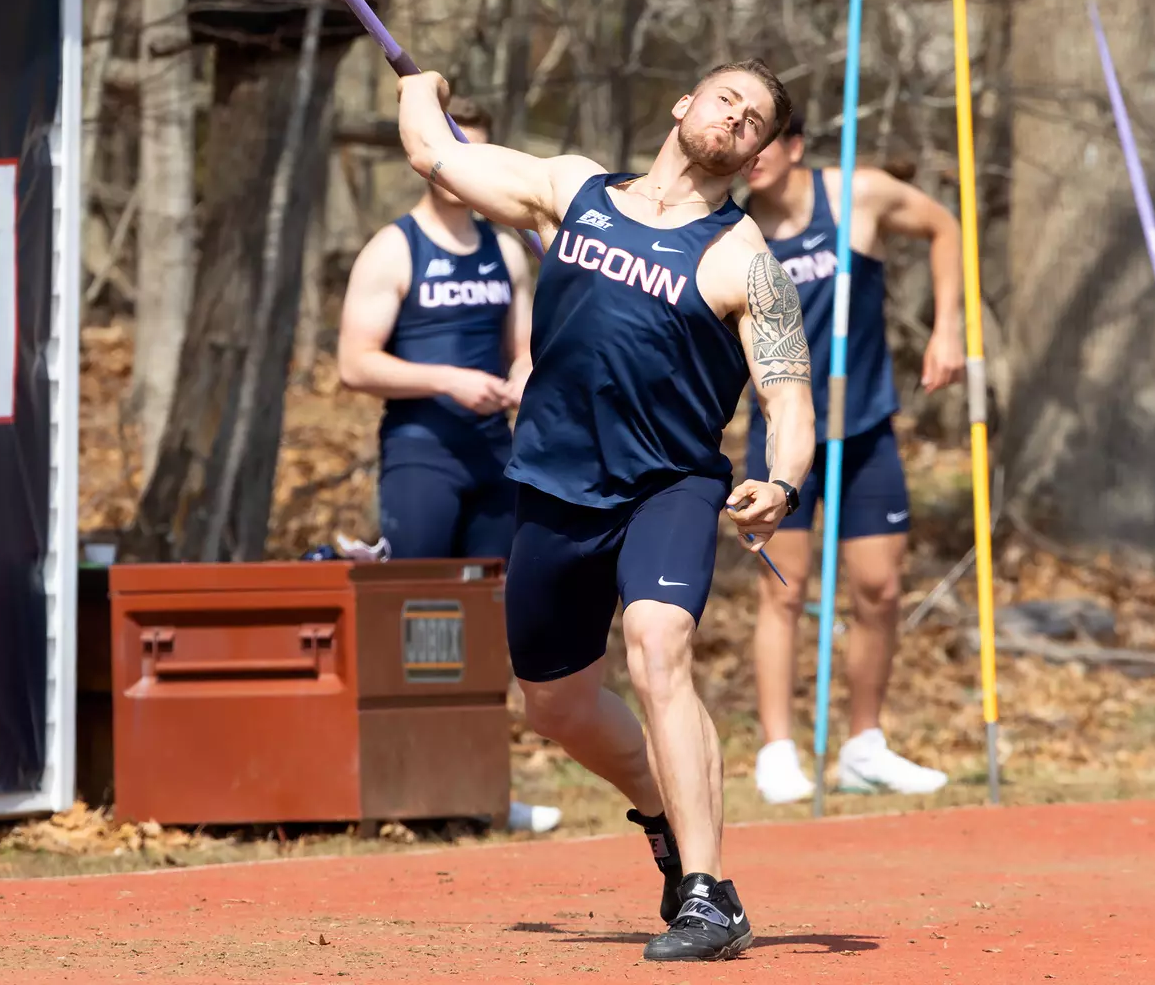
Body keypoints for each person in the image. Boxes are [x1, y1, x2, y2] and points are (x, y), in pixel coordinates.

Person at [396, 58, 817, 962]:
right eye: (725, 100)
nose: (734, 120)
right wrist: (419, 86)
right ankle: (664, 813)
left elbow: (789, 402)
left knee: (660, 643)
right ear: (684, 103)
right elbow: (435, 153)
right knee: (553, 705)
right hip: (553, 484)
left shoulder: (747, 263)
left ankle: (709, 896)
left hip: (669, 483)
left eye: (754, 122)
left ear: (757, 158)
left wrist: (780, 484)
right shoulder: (574, 190)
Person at [337, 96, 560, 834]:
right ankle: (404, 789)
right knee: (413, 627)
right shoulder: (394, 248)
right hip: (421, 456)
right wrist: (447, 380)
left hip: (495, 457)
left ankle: (479, 788)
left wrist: (525, 373)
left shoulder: (503, 250)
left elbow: (525, 342)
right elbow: (355, 363)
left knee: (489, 627)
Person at [737, 114, 966, 803]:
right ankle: (778, 750)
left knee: (880, 589)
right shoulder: (733, 228)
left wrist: (946, 329)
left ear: (796, 146)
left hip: (863, 423)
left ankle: (865, 743)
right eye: (742, 144)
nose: (752, 157)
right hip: (783, 430)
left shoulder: (857, 196)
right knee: (784, 589)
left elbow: (944, 228)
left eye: (766, 142)